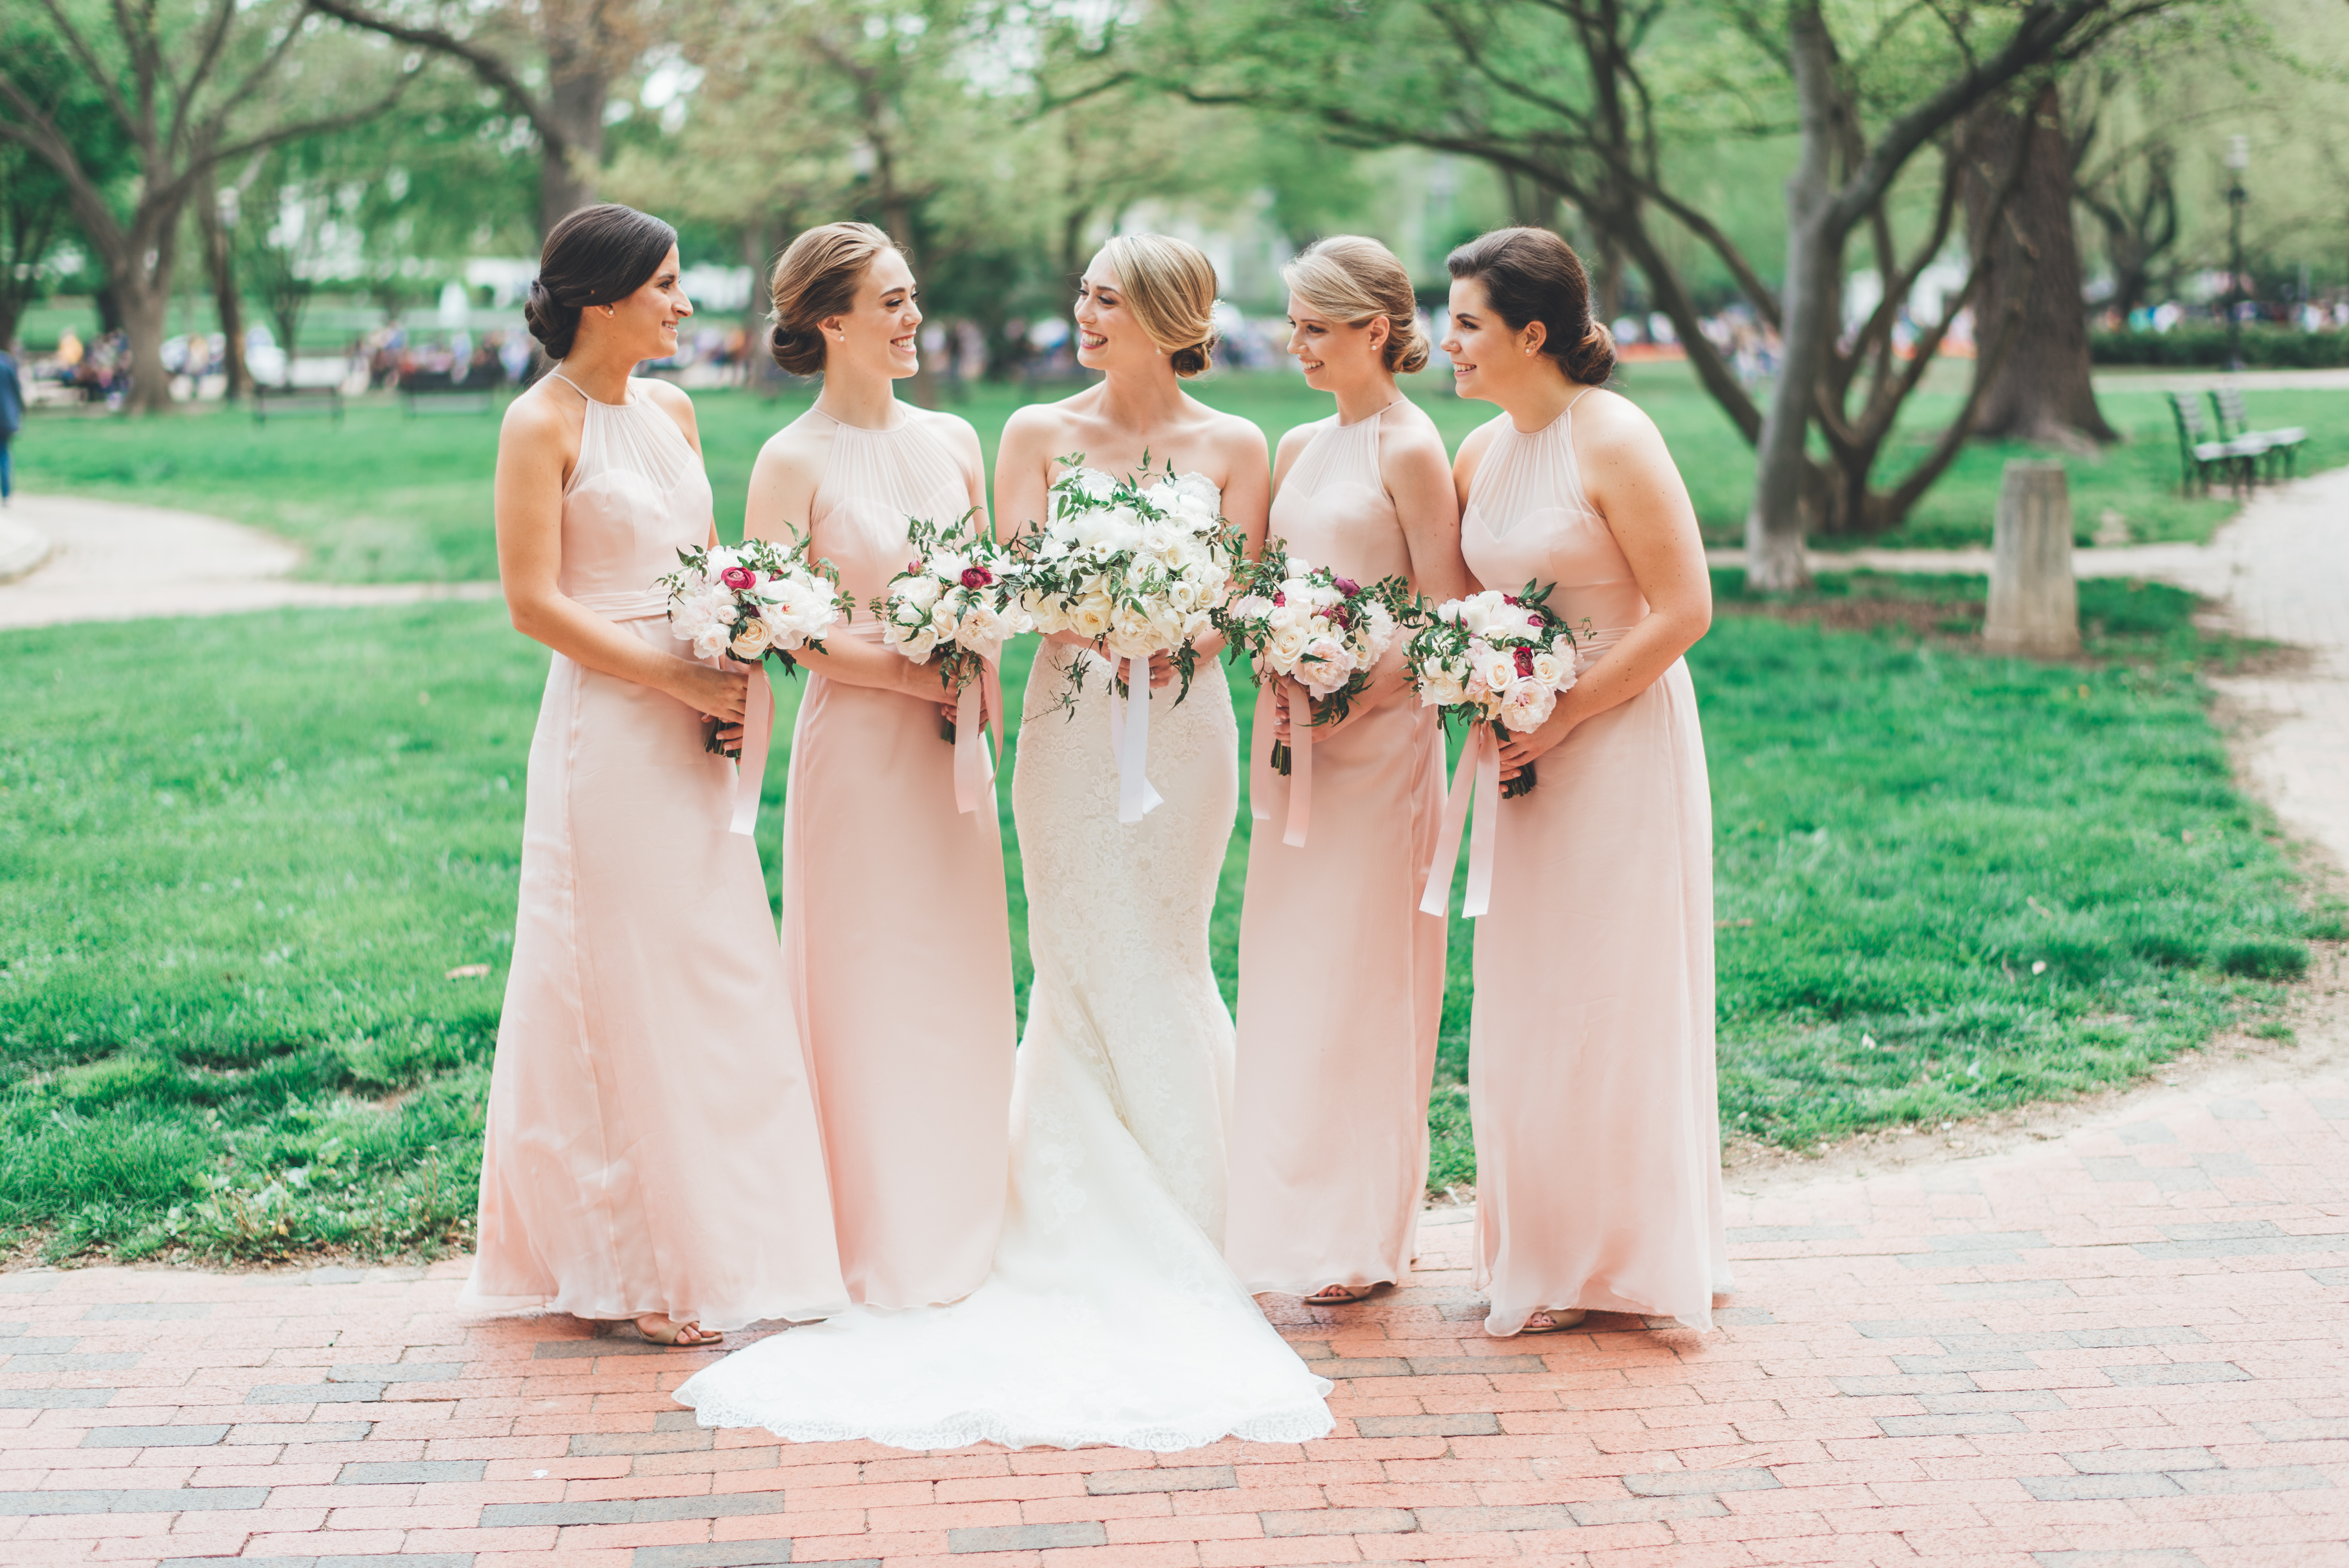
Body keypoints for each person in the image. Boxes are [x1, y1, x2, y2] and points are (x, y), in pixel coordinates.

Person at [675, 233, 1331, 1452]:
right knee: (1048, 956)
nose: (1081, 311)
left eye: (1105, 296)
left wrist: (1163, 623)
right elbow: (973, 592)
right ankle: (894, 1227)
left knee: (1140, 956)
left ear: (1166, 313)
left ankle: (1189, 1205)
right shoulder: (1013, 431)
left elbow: (1228, 593)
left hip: (1155, 729)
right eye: (1078, 290)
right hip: (1037, 733)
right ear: (828, 318)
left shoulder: (984, 439)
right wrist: (984, 645)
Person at [459, 203, 846, 1347]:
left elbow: (707, 570)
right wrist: (672, 683)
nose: (686, 303)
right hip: (606, 733)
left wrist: (732, 659)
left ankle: (737, 1235)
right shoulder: (540, 424)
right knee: (613, 974)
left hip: (696, 711)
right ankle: (631, 1261)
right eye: (668, 284)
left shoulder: (673, 410)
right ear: (602, 298)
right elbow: (535, 602)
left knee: (712, 964)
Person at [1440, 226, 1729, 1336]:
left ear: (1530, 333)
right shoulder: (1480, 456)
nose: (1449, 344)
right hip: (1523, 750)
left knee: (1613, 990)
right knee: (1528, 993)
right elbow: (1474, 606)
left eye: (1467, 325)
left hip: (1615, 743)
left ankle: (1625, 1258)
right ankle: (1544, 1245)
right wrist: (1482, 687)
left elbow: (1684, 611)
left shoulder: (1614, 438)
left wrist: (1563, 710)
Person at [740, 222, 1015, 1308]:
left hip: (957, 749)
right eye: (891, 302)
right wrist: (908, 675)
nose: (912, 319)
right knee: (864, 972)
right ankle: (868, 1227)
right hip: (857, 746)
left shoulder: (952, 436)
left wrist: (975, 659)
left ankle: (965, 1212)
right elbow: (777, 621)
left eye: (912, 297)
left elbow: (988, 578)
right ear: (829, 321)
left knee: (955, 966)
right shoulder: (790, 458)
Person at [1225, 236, 1468, 1305]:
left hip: (1379, 749)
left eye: (1316, 327)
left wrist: (1358, 687)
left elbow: (1449, 611)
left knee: (1366, 975)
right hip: (1294, 748)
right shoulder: (1297, 442)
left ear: (1376, 329)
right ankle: (1285, 1203)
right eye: (1293, 323)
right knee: (1294, 968)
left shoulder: (1410, 449)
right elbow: (1277, 581)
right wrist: (1279, 661)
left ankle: (1364, 1227)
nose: (1296, 344)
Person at [0, 342, 23, 505]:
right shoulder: (7, 361)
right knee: (4, 454)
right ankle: (7, 494)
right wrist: (19, 413)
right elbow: (17, 390)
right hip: (6, 418)